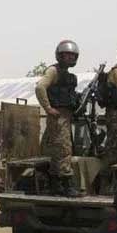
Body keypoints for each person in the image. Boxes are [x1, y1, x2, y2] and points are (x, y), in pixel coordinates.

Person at [35, 40, 81, 197]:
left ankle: (56, 185)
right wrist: (48, 108)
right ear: (60, 56)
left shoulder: (67, 75)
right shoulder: (53, 71)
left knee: (58, 151)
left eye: (73, 56)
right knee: (64, 149)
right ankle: (68, 186)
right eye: (67, 55)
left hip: (65, 115)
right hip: (58, 115)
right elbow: (40, 87)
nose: (70, 58)